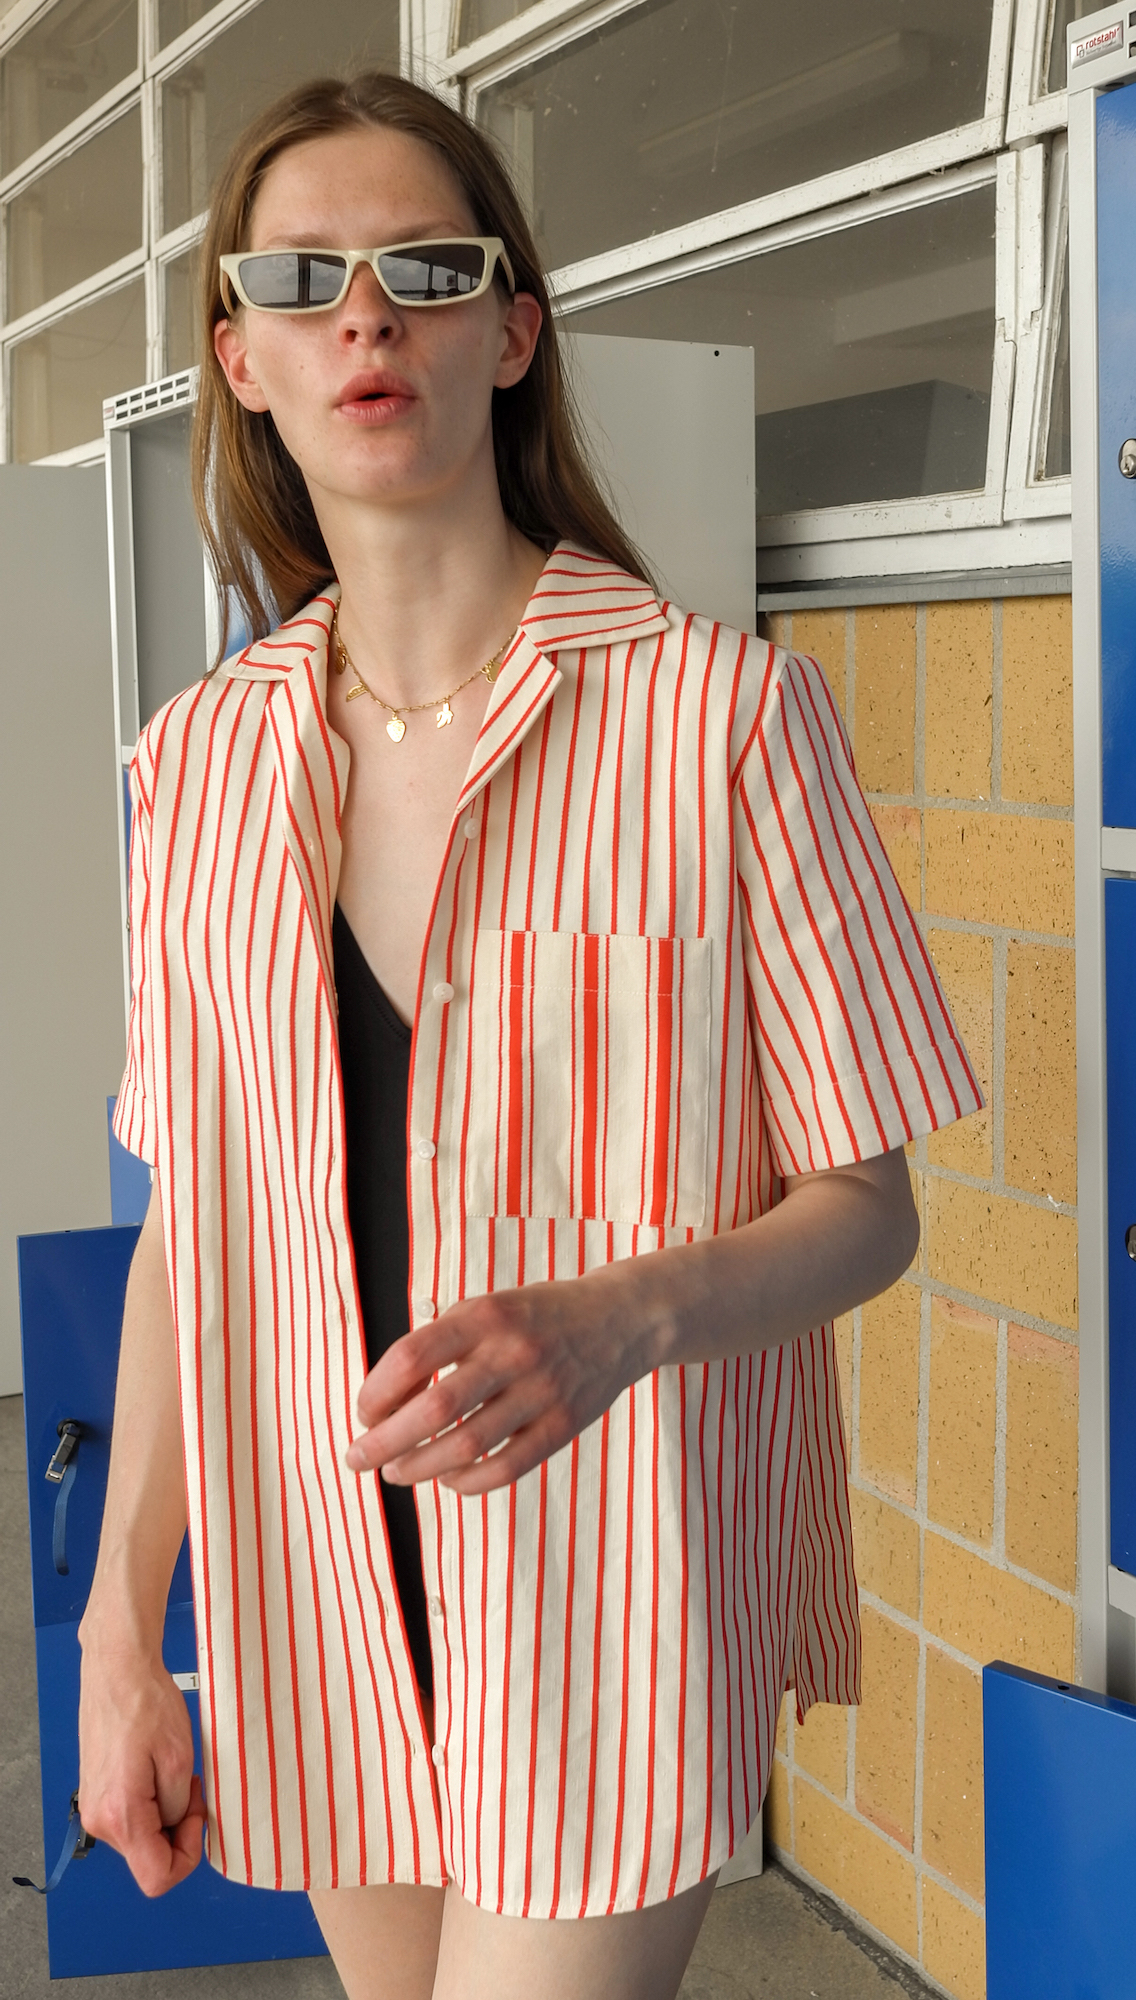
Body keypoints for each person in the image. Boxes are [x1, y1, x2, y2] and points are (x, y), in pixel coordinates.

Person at [76, 71, 982, 2000]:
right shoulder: (195, 767)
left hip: (608, 1602)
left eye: (425, 268)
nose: (364, 319)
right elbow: (189, 1237)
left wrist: (615, 1319)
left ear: (511, 332)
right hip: (319, 1610)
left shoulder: (720, 721)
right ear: (241, 362)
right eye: (301, 280)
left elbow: (867, 1209)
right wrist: (116, 1635)